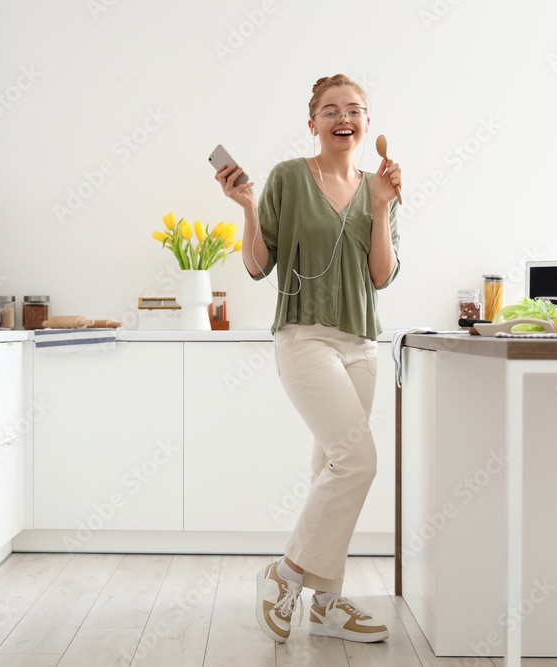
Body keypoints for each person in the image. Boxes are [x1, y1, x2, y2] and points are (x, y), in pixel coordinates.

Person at [215, 73, 402, 644]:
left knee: (331, 468)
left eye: (355, 109)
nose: (343, 117)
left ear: (368, 122)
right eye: (330, 109)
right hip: (305, 337)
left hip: (362, 341)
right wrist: (247, 204)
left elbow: (381, 276)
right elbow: (256, 266)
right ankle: (285, 573)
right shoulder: (290, 178)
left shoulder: (380, 185)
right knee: (358, 463)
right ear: (314, 121)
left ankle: (326, 603)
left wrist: (382, 208)